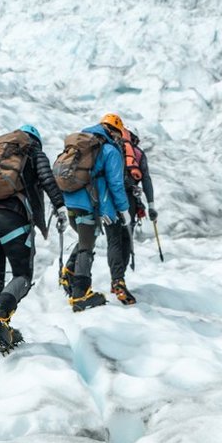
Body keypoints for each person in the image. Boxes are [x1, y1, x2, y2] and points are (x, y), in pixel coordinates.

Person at [0, 124, 66, 354]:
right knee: (22, 274)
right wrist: (60, 206)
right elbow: (46, 178)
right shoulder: (33, 150)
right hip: (11, 216)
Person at [59, 115, 130, 311]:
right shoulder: (109, 151)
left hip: (69, 201)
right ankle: (80, 294)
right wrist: (122, 210)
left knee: (86, 239)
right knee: (87, 247)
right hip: (89, 205)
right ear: (114, 132)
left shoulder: (79, 145)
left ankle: (69, 273)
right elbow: (114, 185)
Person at [110, 122, 157, 304]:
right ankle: (119, 280)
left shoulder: (110, 148)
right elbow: (146, 180)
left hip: (110, 199)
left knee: (113, 240)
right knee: (125, 239)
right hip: (128, 199)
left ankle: (116, 280)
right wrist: (151, 205)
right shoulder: (137, 153)